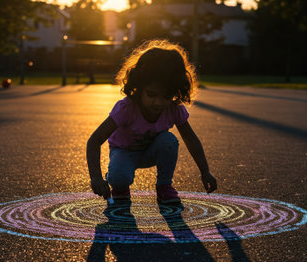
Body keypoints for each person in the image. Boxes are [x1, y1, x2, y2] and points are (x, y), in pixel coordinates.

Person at [86, 39, 217, 204]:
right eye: (151, 94)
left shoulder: (173, 108)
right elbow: (94, 140)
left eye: (166, 96)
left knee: (168, 141)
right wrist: (96, 177)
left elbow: (191, 139)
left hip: (151, 152)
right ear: (139, 87)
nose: (158, 103)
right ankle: (119, 186)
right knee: (119, 177)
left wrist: (205, 171)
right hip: (124, 152)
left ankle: (164, 186)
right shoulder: (127, 108)